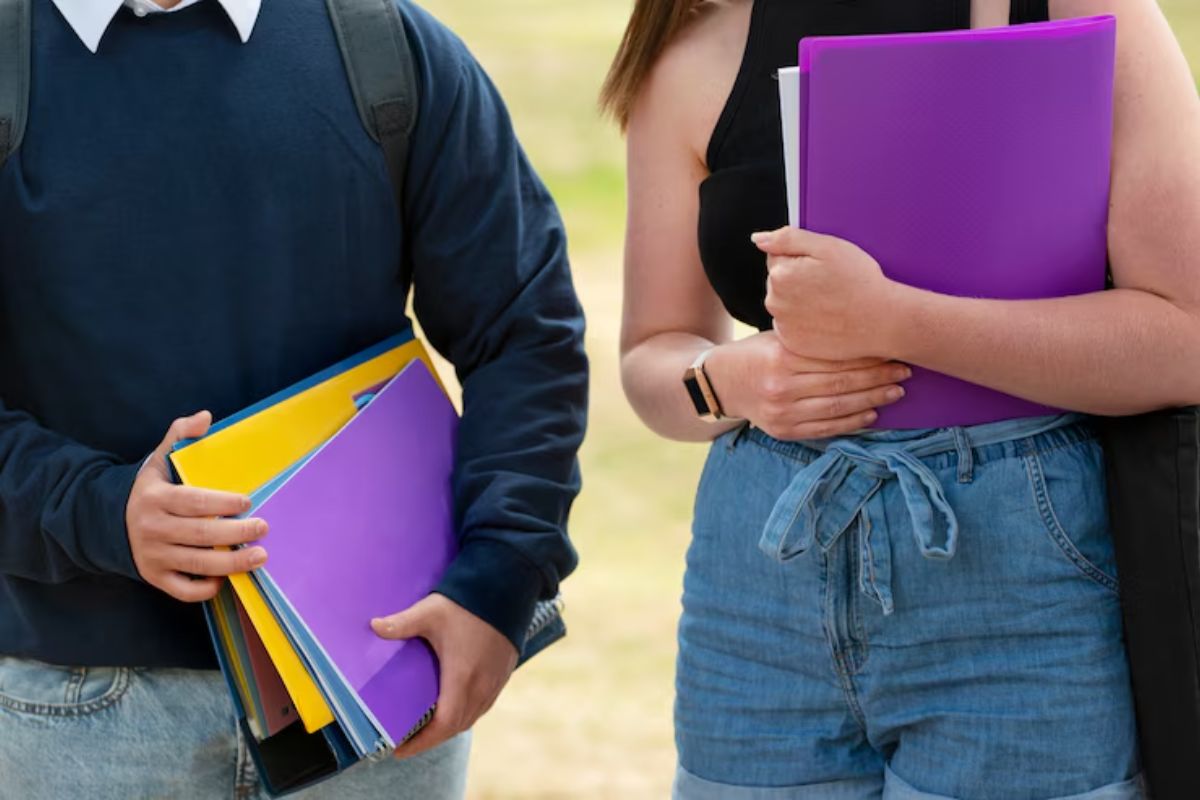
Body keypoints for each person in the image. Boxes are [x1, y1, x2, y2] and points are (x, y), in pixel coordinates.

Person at [604, 0, 1200, 797]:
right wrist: (729, 381)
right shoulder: (696, 35)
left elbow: (1184, 338)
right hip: (756, 592)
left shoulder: (1081, 10)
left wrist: (896, 320)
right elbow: (655, 351)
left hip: (1019, 588)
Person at [0, 0, 587, 797]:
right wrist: (103, 512)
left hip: (375, 690)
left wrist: (501, 577)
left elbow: (523, 330)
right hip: (80, 711)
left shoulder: (386, 47)